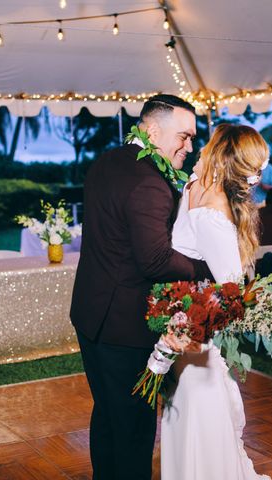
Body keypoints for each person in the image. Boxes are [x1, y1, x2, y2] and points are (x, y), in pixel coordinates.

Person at [69, 94, 211, 480]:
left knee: (108, 414)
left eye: (192, 137)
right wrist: (205, 267)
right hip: (123, 326)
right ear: (151, 130)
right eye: (183, 136)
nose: (190, 145)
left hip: (90, 313)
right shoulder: (149, 181)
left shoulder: (107, 162)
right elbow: (155, 260)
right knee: (133, 427)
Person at [162, 124, 270, 479]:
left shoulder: (194, 186)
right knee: (199, 409)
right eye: (256, 168)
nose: (258, 176)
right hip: (195, 325)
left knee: (190, 409)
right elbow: (232, 288)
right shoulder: (214, 208)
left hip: (183, 316)